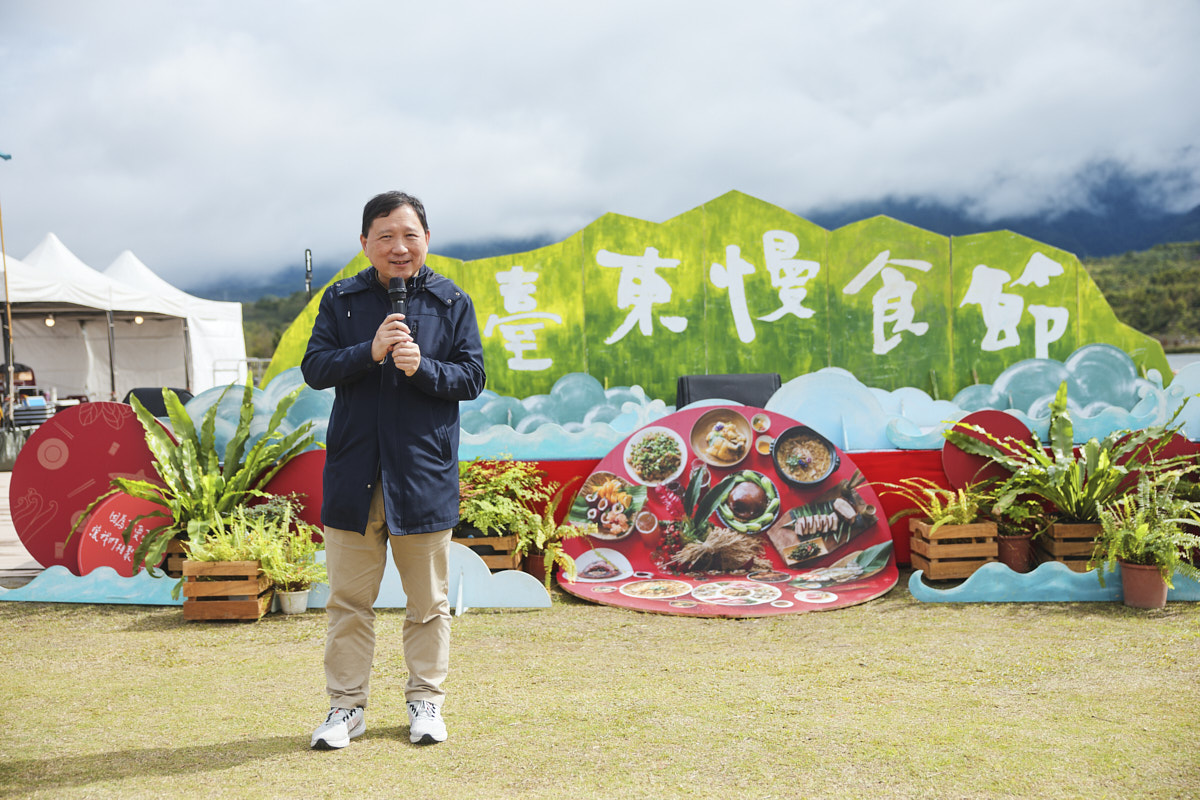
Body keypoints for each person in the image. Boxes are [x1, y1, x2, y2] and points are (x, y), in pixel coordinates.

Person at [301, 191, 486, 749]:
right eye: (385, 236)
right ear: (365, 243)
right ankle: (345, 709)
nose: (398, 247)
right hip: (353, 477)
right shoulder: (341, 299)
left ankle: (426, 701)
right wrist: (370, 351)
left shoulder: (452, 301)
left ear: (427, 239)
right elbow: (315, 368)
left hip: (422, 477)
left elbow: (472, 377)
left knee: (428, 604)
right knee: (347, 604)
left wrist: (423, 367)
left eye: (409, 235)